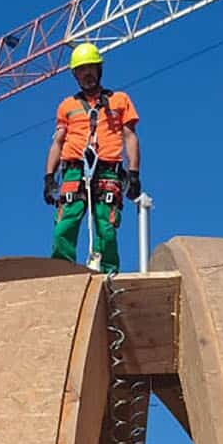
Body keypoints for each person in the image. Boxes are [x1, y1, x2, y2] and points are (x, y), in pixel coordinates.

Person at [43, 43, 141, 273]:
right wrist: (49, 177)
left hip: (108, 171)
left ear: (99, 69)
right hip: (74, 171)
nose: (87, 74)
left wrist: (134, 173)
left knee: (106, 229)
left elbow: (130, 136)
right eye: (81, 70)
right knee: (64, 227)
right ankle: (61, 271)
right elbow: (57, 142)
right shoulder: (67, 105)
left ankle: (107, 276)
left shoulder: (119, 100)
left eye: (90, 68)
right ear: (75, 75)